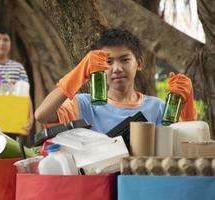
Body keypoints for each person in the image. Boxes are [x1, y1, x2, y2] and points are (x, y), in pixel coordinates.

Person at [35, 28, 196, 134]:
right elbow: (42, 115)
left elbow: (184, 146)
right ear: (96, 66)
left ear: (139, 63)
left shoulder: (158, 108)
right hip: (99, 185)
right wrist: (78, 72)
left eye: (125, 60)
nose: (117, 68)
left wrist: (187, 107)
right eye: (109, 62)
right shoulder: (84, 105)